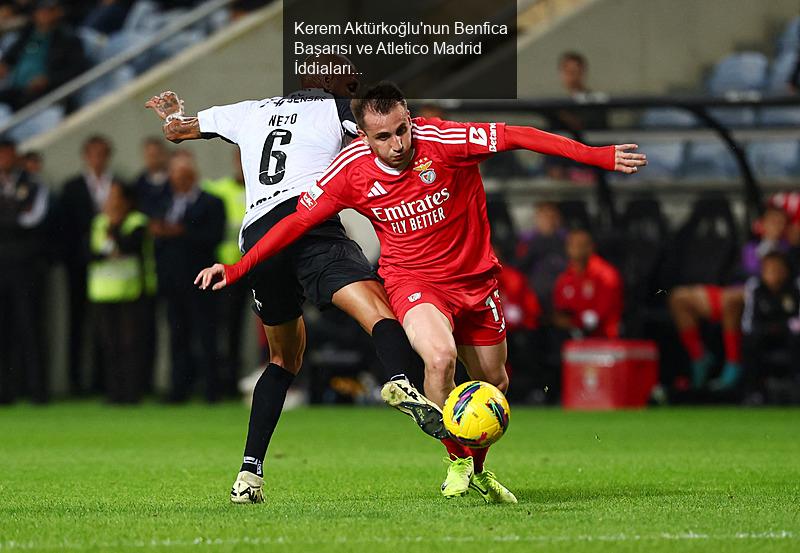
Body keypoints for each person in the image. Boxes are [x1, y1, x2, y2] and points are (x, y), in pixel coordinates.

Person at [196, 82, 646, 503]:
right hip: (414, 282)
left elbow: (518, 135)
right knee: (439, 359)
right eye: (383, 137)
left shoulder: (447, 142)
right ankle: (454, 461)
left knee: (494, 383)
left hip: (474, 280)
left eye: (402, 131)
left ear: (410, 118)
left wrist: (597, 156)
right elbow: (295, 222)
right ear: (362, 136)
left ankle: (478, 467)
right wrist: (239, 267)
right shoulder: (350, 169)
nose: (397, 145)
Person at [144, 59, 426, 504]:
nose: (354, 84)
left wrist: (174, 114)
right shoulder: (339, 110)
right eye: (348, 78)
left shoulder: (249, 110)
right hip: (308, 223)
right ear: (326, 83)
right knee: (379, 312)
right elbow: (394, 143)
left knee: (282, 359)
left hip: (260, 238)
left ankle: (248, 474)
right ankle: (400, 382)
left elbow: (177, 131)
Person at [669, 206, 790, 391]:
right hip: (730, 293)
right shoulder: (749, 248)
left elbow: (771, 281)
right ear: (762, 225)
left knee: (731, 300)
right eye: (771, 221)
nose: (775, 227)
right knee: (679, 298)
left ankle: (733, 364)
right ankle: (699, 357)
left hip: (755, 298)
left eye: (780, 222)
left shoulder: (787, 252)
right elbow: (735, 274)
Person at [149, 151, 224, 404]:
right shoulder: (162, 201)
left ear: (193, 176)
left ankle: (212, 390)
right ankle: (178, 390)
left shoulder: (212, 202)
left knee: (206, 335)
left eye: (183, 175)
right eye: (174, 175)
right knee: (176, 336)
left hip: (201, 280)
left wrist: (181, 232)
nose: (178, 180)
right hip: (172, 281)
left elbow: (214, 236)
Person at [57, 134, 116, 395]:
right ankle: (75, 381)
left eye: (102, 153)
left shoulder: (118, 185)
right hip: (80, 266)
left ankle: (104, 380)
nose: (97, 159)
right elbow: (65, 228)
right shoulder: (72, 187)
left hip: (111, 269)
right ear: (85, 156)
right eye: (93, 153)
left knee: (107, 326)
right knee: (78, 321)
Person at [87, 181, 154, 404]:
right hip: (103, 293)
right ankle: (113, 394)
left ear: (127, 201)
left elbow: (130, 246)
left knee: (130, 345)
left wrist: (113, 232)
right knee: (109, 345)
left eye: (116, 196)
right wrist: (110, 247)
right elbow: (90, 253)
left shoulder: (137, 222)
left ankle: (132, 393)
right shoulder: (98, 223)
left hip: (130, 292)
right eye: (109, 197)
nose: (111, 202)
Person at [0, 138, 49, 403]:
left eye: (8, 154)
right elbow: (21, 217)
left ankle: (37, 390)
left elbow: (34, 219)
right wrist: (14, 213)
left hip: (26, 267)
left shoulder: (32, 183)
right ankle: (4, 391)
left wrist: (8, 216)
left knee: (30, 328)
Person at [202, 147, 248, 397]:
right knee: (225, 328)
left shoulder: (262, 189)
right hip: (227, 270)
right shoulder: (217, 190)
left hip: (258, 266)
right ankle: (224, 382)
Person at [0, 0, 86, 110]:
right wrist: (4, 65)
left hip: (44, 95)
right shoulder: (27, 35)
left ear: (58, 12)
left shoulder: (69, 40)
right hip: (15, 89)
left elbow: (76, 70)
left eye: (49, 10)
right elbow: (9, 58)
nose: (44, 14)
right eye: (41, 10)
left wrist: (48, 80)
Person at [741, 251, 800, 401]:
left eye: (778, 269)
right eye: (770, 270)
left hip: (789, 334)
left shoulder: (795, 288)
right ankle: (753, 391)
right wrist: (764, 329)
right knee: (750, 341)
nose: (774, 274)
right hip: (763, 334)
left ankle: (796, 385)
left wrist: (784, 327)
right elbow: (747, 323)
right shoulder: (755, 288)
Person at [553, 229, 623, 339]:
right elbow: (561, 308)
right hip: (573, 335)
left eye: (580, 245)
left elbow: (606, 307)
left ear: (590, 247)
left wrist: (588, 318)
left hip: (604, 336)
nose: (575, 249)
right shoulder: (565, 277)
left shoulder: (605, 274)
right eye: (571, 244)